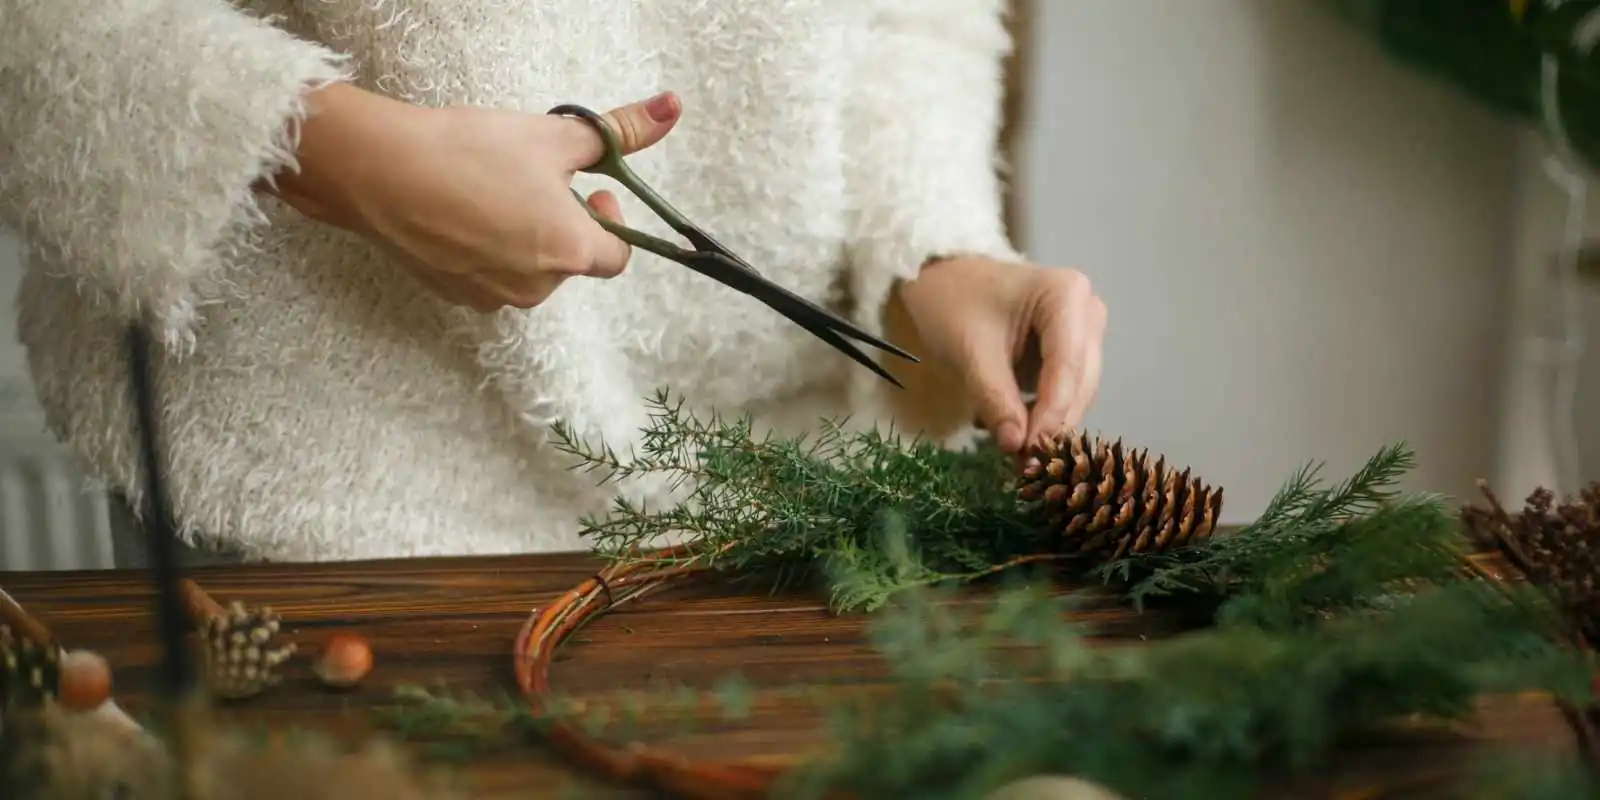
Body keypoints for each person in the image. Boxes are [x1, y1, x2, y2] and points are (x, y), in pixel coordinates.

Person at [0, 0, 1107, 565]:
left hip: (782, 505)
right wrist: (330, 151)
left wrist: (938, 250)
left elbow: (917, 18)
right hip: (325, 484)